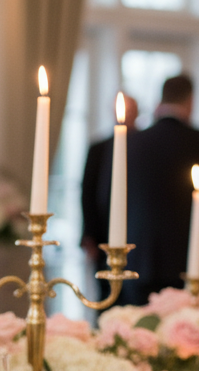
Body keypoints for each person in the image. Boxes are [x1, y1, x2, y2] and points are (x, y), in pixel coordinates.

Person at [124, 75, 199, 304]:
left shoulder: (133, 141)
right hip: (189, 259)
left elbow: (107, 198)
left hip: (138, 255)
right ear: (190, 100)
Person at [81, 95, 138, 299]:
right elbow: (87, 191)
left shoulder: (145, 146)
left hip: (136, 232)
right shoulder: (99, 148)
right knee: (105, 291)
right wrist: (89, 235)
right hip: (103, 232)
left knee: (133, 291)